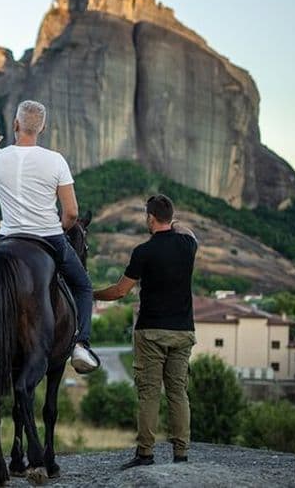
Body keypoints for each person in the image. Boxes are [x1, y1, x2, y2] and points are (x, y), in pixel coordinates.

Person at [0, 100, 99, 373]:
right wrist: (58, 227)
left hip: (8, 237)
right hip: (49, 238)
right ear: (42, 128)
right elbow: (71, 213)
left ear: (16, 124)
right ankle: (81, 344)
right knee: (83, 285)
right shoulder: (55, 160)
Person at [92, 194, 198, 469]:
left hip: (151, 331)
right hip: (183, 331)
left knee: (149, 392)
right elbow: (188, 231)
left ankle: (146, 453)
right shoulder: (188, 245)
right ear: (170, 218)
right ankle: (181, 453)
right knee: (178, 391)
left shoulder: (144, 252)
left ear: (150, 218)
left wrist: (90, 294)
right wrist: (173, 222)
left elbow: (119, 291)